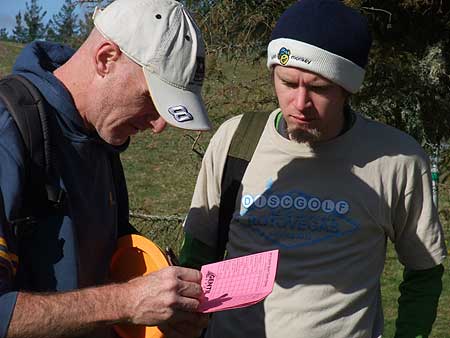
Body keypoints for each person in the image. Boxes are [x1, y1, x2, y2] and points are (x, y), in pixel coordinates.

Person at [180, 0, 447, 337]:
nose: (300, 103)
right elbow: (196, 254)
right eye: (288, 83)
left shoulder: (397, 159)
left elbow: (424, 272)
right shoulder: (236, 140)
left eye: (319, 89)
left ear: (348, 89)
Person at [0, 0, 212, 337]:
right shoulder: (10, 132)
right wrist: (125, 302)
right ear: (106, 59)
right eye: (152, 100)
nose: (158, 126)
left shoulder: (99, 142)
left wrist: (164, 306)